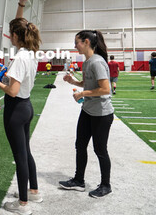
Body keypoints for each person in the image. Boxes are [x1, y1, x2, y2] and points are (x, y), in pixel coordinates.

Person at [0, 0, 42, 215]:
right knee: (26, 153)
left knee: (20, 157)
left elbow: (12, 91)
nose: (9, 35)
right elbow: (19, 26)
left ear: (15, 37)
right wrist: (21, 5)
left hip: (16, 108)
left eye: (11, 34)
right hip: (27, 106)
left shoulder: (21, 57)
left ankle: (23, 204)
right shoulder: (30, 52)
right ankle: (33, 191)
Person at [60, 30, 114, 199]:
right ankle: (78, 180)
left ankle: (106, 185)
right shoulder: (87, 62)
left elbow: (106, 89)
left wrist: (83, 94)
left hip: (101, 114)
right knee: (80, 145)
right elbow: (87, 83)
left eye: (77, 42)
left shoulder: (97, 62)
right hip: (88, 111)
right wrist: (74, 82)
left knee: (100, 150)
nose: (75, 45)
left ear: (86, 42)